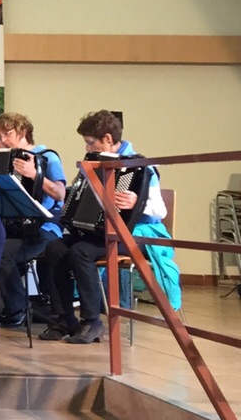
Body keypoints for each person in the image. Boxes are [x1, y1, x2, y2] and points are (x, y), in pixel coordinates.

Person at [38, 110, 168, 344]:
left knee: (81, 252)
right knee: (55, 247)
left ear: (108, 139)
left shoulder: (140, 166)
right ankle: (64, 319)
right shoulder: (94, 164)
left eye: (90, 143)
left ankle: (92, 321)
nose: (87, 149)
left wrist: (138, 203)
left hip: (131, 235)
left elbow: (160, 211)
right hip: (98, 233)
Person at [0, 113, 66, 328]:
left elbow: (60, 194)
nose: (3, 140)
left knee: (1, 253)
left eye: (8, 133)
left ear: (23, 131)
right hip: (14, 227)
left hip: (45, 228)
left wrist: (34, 174)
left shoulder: (47, 156)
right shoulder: (3, 157)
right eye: (0, 135)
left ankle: (18, 308)